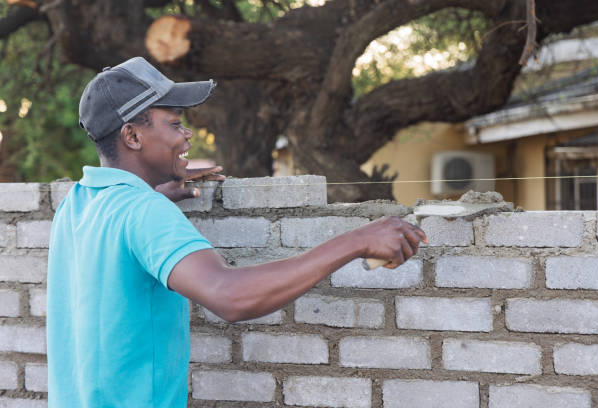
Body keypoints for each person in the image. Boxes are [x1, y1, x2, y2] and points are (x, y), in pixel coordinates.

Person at [46, 56, 427, 408]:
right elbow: (230, 297)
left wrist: (155, 192)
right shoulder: (144, 212)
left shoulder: (77, 203)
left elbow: (120, 250)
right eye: (175, 123)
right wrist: (355, 241)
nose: (187, 136)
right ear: (132, 136)